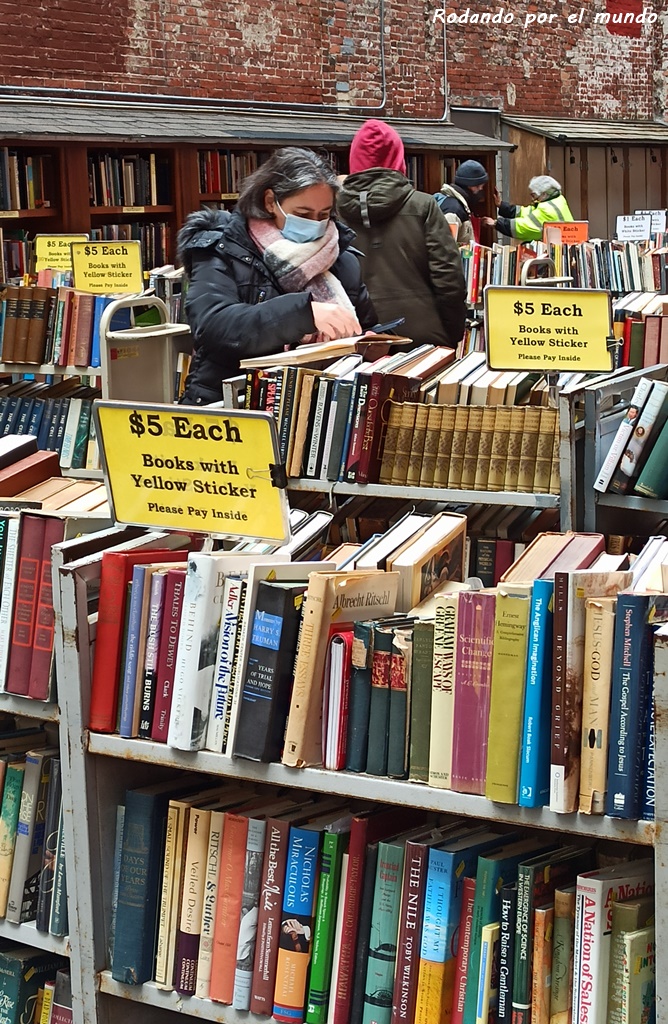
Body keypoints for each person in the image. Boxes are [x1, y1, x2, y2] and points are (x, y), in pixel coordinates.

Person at [176, 147, 377, 405]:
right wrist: (304, 314)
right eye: (303, 215)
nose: (315, 224)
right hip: (234, 405)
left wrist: (369, 341)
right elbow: (213, 325)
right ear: (271, 201)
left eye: (324, 215)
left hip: (317, 407)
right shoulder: (223, 247)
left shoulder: (341, 256)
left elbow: (366, 324)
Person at [337, 119, 467, 350]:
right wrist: (451, 332)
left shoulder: (331, 210)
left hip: (355, 337)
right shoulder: (423, 205)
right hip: (423, 335)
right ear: (399, 158)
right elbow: (449, 278)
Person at [482, 174, 574, 241]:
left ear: (544, 194)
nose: (532, 199)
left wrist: (496, 223)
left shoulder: (548, 210)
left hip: (560, 253)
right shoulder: (557, 200)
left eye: (533, 195)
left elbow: (523, 226)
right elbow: (527, 212)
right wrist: (502, 205)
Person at [433, 159, 489, 245]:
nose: (480, 190)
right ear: (468, 185)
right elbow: (443, 248)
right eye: (477, 186)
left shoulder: (456, 205)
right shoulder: (454, 210)